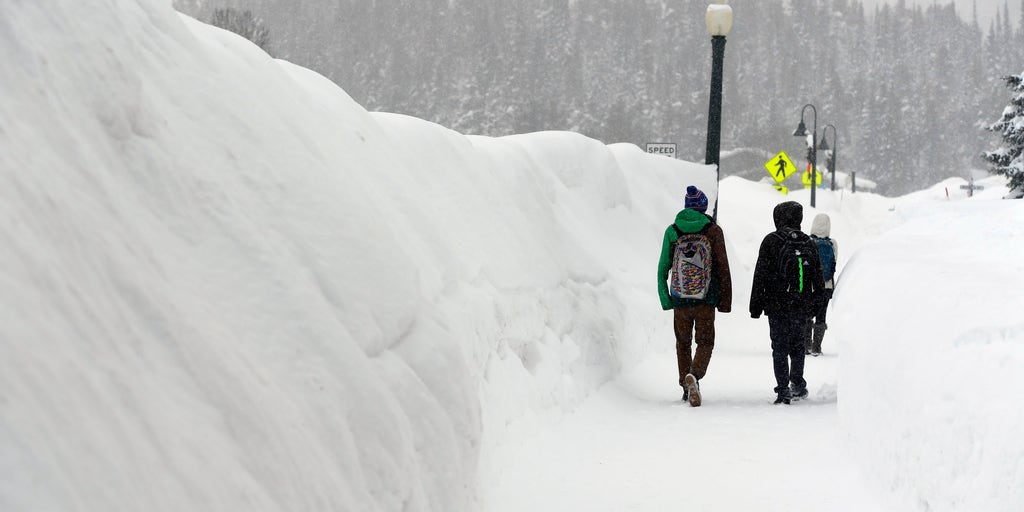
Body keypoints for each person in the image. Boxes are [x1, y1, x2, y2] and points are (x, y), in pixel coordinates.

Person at [658, 186, 732, 407]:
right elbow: (723, 267)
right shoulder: (713, 231)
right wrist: (724, 301)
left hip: (680, 298)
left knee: (683, 343)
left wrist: (665, 298)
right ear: (704, 207)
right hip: (705, 298)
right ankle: (695, 376)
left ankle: (684, 384)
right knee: (705, 341)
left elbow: (663, 266)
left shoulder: (672, 231)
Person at [749, 201, 825, 405]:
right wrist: (818, 305)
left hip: (776, 304)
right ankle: (798, 383)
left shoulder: (770, 241)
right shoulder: (808, 242)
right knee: (798, 345)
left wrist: (755, 305)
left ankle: (782, 389)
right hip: (801, 304)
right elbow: (818, 276)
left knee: (779, 347)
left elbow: (760, 274)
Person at [806, 213, 838, 356]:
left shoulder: (807, 241)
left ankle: (806, 344)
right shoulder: (832, 244)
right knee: (821, 315)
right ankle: (816, 347)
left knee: (807, 314)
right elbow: (834, 262)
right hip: (826, 286)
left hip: (810, 285)